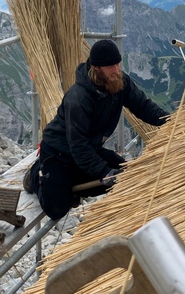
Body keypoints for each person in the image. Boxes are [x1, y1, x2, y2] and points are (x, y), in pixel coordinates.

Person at [23, 39, 169, 220]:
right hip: (60, 153)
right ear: (96, 68)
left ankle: (71, 181)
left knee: (125, 175)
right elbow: (78, 146)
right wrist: (102, 172)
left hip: (89, 150)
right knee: (57, 209)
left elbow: (143, 106)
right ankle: (36, 175)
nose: (116, 70)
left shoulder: (119, 81)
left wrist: (169, 121)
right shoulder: (78, 99)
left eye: (117, 64)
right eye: (110, 66)